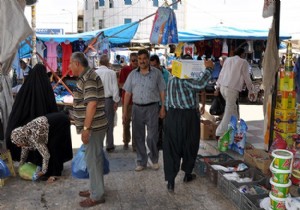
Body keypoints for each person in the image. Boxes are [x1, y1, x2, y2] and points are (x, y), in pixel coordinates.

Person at [163, 54, 213, 193]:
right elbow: (201, 84)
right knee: (190, 144)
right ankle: (187, 174)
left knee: (172, 147)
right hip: (188, 116)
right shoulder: (186, 80)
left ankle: (171, 182)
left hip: (172, 116)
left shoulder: (172, 80)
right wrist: (208, 69)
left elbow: (167, 101)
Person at [69, 52, 108, 208]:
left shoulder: (89, 78)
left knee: (94, 161)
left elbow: (92, 104)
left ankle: (97, 195)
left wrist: (86, 128)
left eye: (70, 64)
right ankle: (95, 188)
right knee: (93, 160)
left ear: (77, 64)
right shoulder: (86, 76)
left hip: (94, 128)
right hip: (94, 126)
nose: (69, 67)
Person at [122, 49, 166, 171]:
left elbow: (162, 90)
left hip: (152, 108)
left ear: (148, 59)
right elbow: (127, 94)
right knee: (138, 136)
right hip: (137, 108)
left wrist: (163, 107)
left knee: (152, 136)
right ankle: (141, 161)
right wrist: (125, 111)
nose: (142, 61)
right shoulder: (132, 74)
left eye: (144, 58)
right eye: (139, 59)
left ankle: (154, 159)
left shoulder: (157, 73)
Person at [6, 63, 58, 162]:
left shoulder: (26, 88)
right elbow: (52, 107)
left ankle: (25, 160)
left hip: (27, 127)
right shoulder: (46, 87)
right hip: (43, 128)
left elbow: (17, 108)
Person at [10, 112, 73, 183]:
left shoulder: (34, 137)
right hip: (49, 124)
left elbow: (46, 155)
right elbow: (24, 152)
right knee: (46, 147)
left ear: (22, 139)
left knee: (54, 147)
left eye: (18, 143)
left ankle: (56, 174)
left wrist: (43, 172)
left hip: (60, 122)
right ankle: (49, 169)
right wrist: (20, 166)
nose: (18, 145)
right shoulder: (25, 134)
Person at [215, 48, 254, 139]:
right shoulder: (243, 62)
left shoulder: (228, 60)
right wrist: (251, 91)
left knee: (233, 109)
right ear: (242, 54)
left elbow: (221, 74)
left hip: (223, 88)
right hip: (232, 89)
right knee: (229, 111)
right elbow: (247, 78)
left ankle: (235, 129)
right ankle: (219, 132)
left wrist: (217, 87)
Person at [95, 54, 120, 152]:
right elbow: (115, 88)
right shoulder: (112, 73)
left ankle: (99, 145)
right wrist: (116, 101)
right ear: (108, 63)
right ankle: (110, 145)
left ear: (100, 62)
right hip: (109, 100)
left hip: (98, 101)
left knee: (99, 124)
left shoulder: (95, 73)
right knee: (109, 123)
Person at [150, 54, 171, 150]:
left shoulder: (167, 74)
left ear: (159, 64)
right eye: (151, 66)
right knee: (155, 126)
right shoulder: (150, 74)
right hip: (154, 104)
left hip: (165, 104)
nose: (153, 68)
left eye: (154, 65)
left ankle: (164, 144)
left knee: (165, 126)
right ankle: (156, 145)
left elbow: (169, 89)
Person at [118, 52, 138, 151]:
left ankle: (135, 144)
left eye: (136, 60)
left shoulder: (140, 70)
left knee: (136, 124)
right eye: (133, 60)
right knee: (126, 122)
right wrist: (130, 87)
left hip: (137, 101)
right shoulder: (125, 69)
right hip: (127, 101)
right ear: (130, 61)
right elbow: (121, 84)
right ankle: (126, 141)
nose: (135, 62)